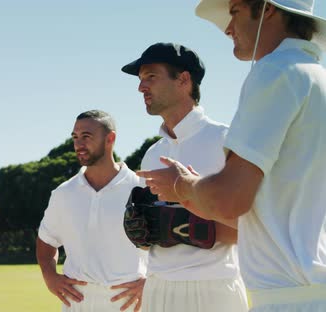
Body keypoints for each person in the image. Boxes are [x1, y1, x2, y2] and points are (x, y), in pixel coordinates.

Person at [138, 0, 326, 310]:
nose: (227, 28)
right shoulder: (316, 76)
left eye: (235, 11)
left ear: (267, 9)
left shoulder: (275, 71)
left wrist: (181, 186)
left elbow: (229, 199)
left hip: (287, 298)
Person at [121, 42, 248, 312]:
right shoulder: (153, 154)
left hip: (213, 287)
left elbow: (254, 224)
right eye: (141, 79)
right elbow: (153, 234)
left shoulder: (227, 140)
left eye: (151, 77)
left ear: (184, 79)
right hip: (158, 286)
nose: (141, 87)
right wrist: (147, 232)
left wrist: (182, 223)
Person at [36, 110, 148, 312]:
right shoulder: (63, 193)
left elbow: (166, 248)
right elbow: (46, 241)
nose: (78, 144)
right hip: (77, 303)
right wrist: (50, 276)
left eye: (86, 137)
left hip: (128, 302)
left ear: (110, 139)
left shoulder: (142, 189)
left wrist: (150, 283)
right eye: (75, 138)